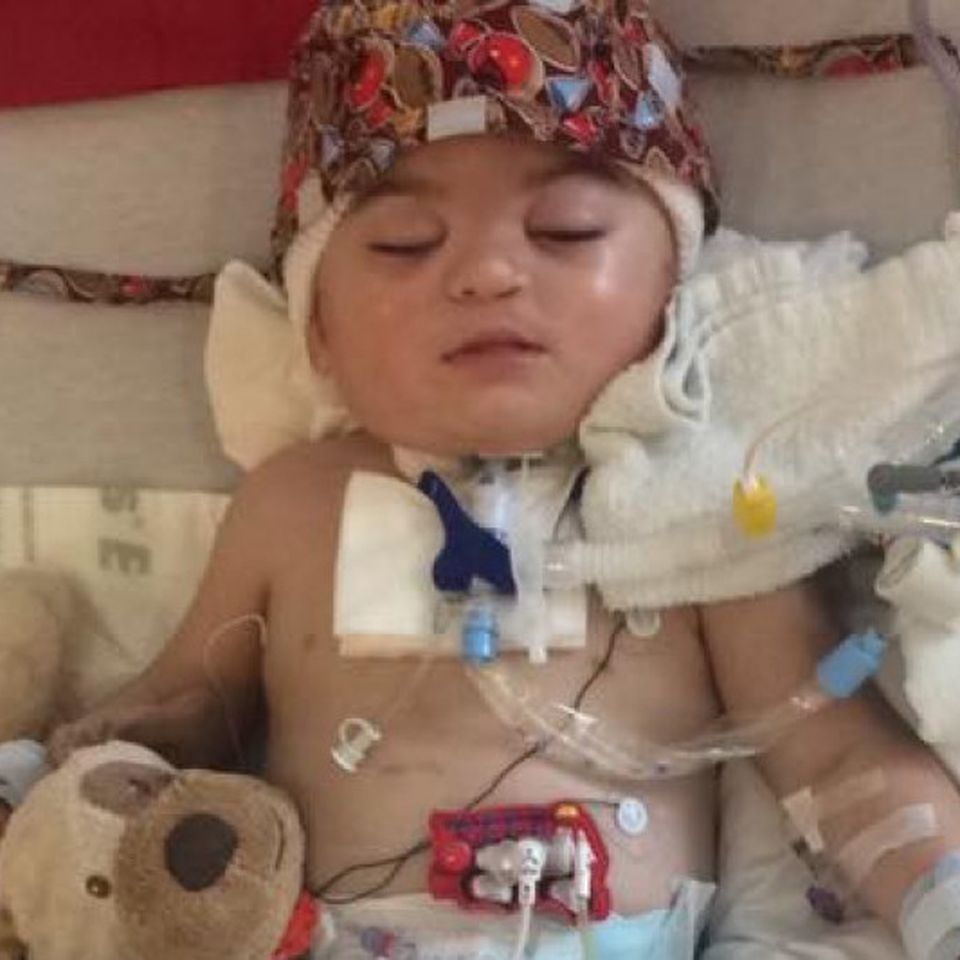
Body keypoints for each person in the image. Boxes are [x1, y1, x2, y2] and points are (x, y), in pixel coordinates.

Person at [26, 0, 960, 956]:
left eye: (565, 229)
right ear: (318, 331)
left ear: (675, 289)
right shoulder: (294, 504)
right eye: (405, 243)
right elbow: (180, 708)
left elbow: (836, 753)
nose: (487, 273)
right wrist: (82, 771)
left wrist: (939, 895)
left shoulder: (697, 511)